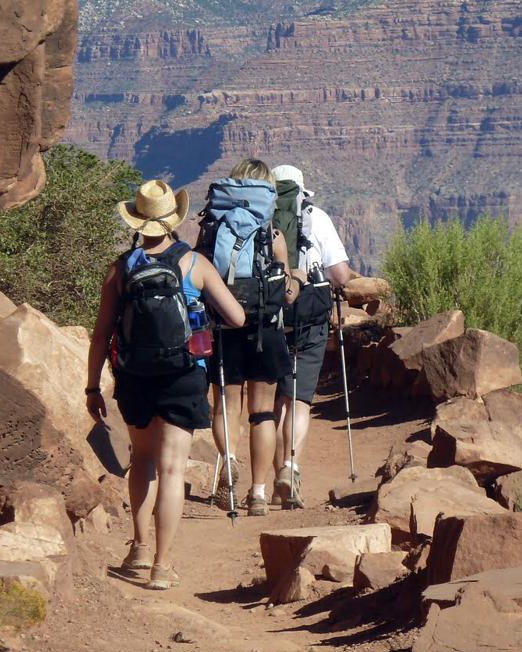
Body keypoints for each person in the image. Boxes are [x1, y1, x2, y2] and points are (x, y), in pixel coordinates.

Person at [86, 179, 246, 590]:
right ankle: (161, 566)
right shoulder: (194, 263)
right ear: (172, 220)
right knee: (172, 468)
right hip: (183, 375)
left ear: (138, 221)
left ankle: (139, 547)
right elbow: (238, 317)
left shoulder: (120, 268)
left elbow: (101, 332)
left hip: (135, 376)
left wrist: (92, 387)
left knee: (141, 461)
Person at [205, 159, 292, 517]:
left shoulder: (211, 229)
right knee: (262, 413)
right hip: (265, 329)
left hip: (224, 327)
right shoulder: (273, 235)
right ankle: (258, 493)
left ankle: (230, 457)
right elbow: (284, 290)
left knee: (226, 402)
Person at [270, 164, 360, 508]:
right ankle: (290, 469)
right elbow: (339, 274)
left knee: (275, 399)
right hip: (309, 313)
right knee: (298, 399)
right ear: (301, 190)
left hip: (269, 312)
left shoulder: (261, 216)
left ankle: (265, 483)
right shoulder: (315, 216)